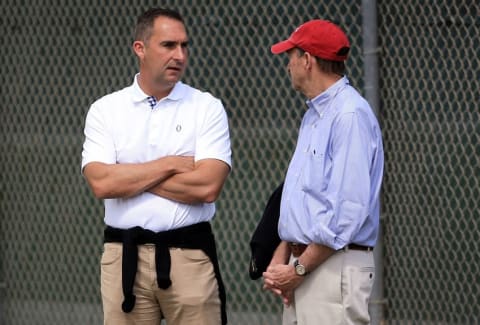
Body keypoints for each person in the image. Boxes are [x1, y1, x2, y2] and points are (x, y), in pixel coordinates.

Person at [81, 7, 231, 325]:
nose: (179, 55)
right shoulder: (105, 110)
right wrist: (169, 165)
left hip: (189, 257)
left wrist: (128, 172)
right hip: (123, 258)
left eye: (184, 46)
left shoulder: (206, 107)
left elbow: (207, 187)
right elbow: (101, 184)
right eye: (168, 45)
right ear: (140, 48)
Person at [262, 19, 384, 324]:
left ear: (307, 60)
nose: (287, 65)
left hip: (333, 267)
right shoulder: (316, 114)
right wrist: (284, 254)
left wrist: (299, 268)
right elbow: (307, 199)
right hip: (308, 264)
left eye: (290, 56)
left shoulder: (349, 114)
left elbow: (345, 213)